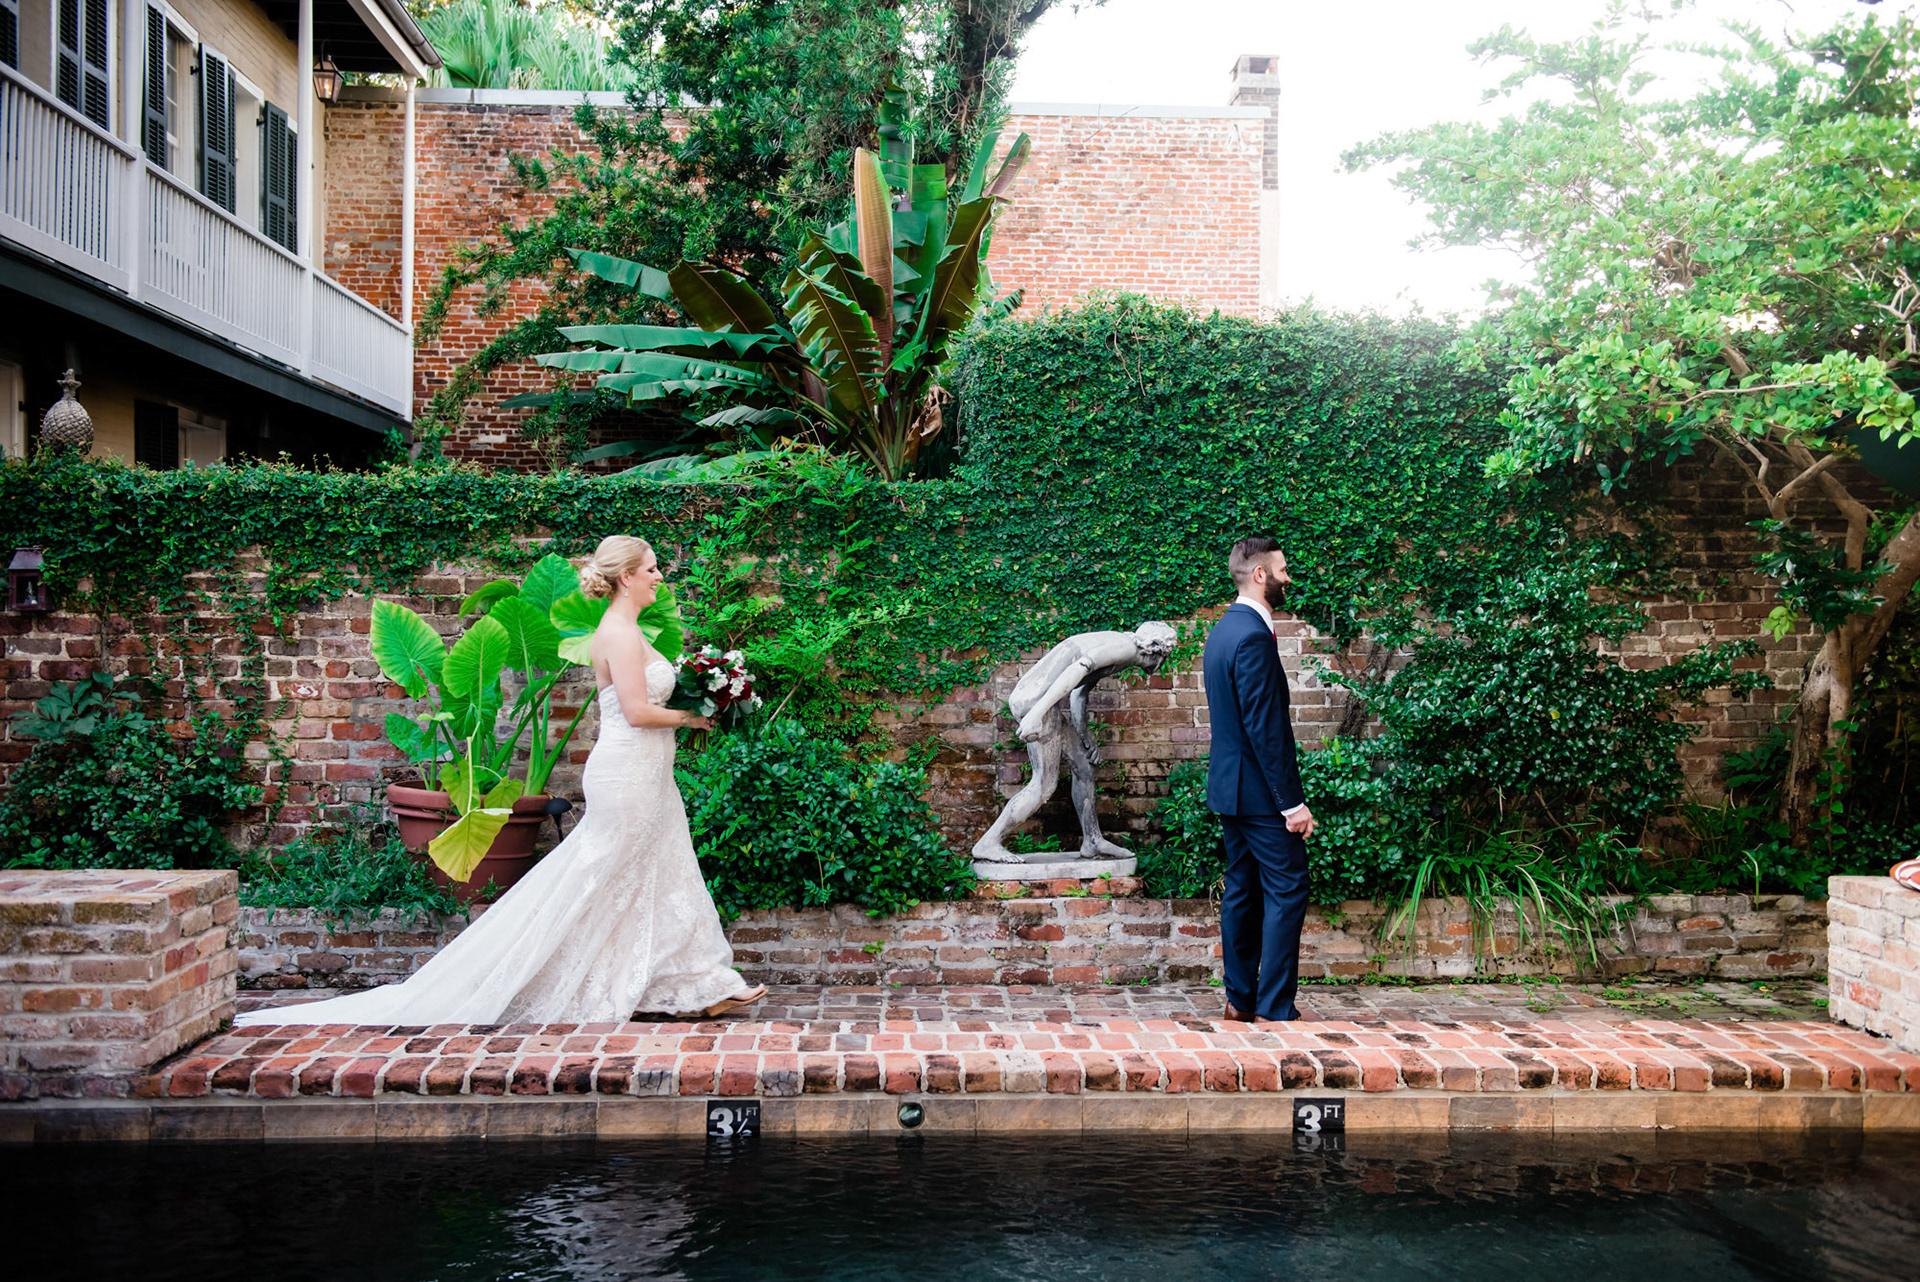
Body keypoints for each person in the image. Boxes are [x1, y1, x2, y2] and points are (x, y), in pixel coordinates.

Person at [236, 535, 766, 1027]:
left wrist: (706, 692)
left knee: (662, 868)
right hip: (627, 772)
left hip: (649, 774)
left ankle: (694, 984)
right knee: (595, 879)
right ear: (626, 577)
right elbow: (635, 712)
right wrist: (693, 718)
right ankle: (538, 974)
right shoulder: (619, 633)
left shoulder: (629, 631)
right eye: (651, 570)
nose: (659, 578)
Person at [1201, 536, 1316, 1025]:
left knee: (1244, 888)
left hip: (1231, 789)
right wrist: (1292, 805)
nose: (1289, 578)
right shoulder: (1251, 636)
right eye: (1283, 570)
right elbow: (1265, 729)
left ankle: (1239, 999)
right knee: (1290, 885)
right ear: (1261, 575)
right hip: (1259, 795)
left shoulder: (1222, 630)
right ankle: (1273, 1007)